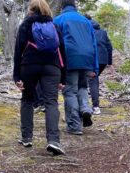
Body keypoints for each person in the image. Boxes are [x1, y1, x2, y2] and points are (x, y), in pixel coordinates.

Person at [13, 0, 65, 155]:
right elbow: (63, 52)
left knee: (27, 99)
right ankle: (53, 140)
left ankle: (27, 137)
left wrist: (16, 76)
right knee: (51, 102)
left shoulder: (25, 25)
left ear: (31, 10)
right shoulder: (54, 26)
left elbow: (18, 51)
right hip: (52, 67)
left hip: (29, 66)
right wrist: (64, 78)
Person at [54, 0, 99, 135]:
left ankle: (74, 125)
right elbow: (94, 43)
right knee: (82, 86)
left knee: (70, 91)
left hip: (70, 57)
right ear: (75, 6)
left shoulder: (58, 19)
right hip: (87, 57)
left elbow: (54, 42)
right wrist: (95, 68)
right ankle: (85, 108)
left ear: (62, 7)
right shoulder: (86, 21)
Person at [85, 15, 113, 115]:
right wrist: (109, 63)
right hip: (103, 60)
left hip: (92, 59)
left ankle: (95, 107)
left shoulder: (85, 30)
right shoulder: (103, 32)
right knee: (93, 79)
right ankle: (93, 106)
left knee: (92, 80)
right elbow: (109, 47)